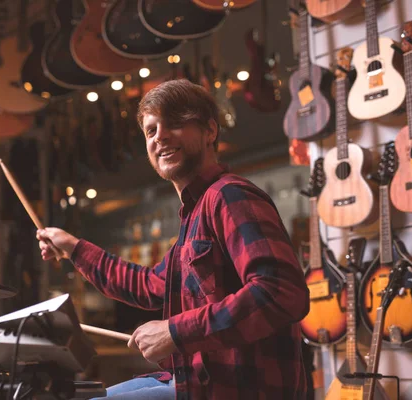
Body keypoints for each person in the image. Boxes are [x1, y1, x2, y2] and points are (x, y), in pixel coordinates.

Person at [37, 79, 310, 399]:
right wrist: (74, 248)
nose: (160, 136)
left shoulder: (230, 195)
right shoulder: (195, 216)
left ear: (210, 131)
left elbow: (281, 292)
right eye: (151, 131)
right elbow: (149, 285)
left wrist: (174, 332)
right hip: (197, 381)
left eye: (175, 123)